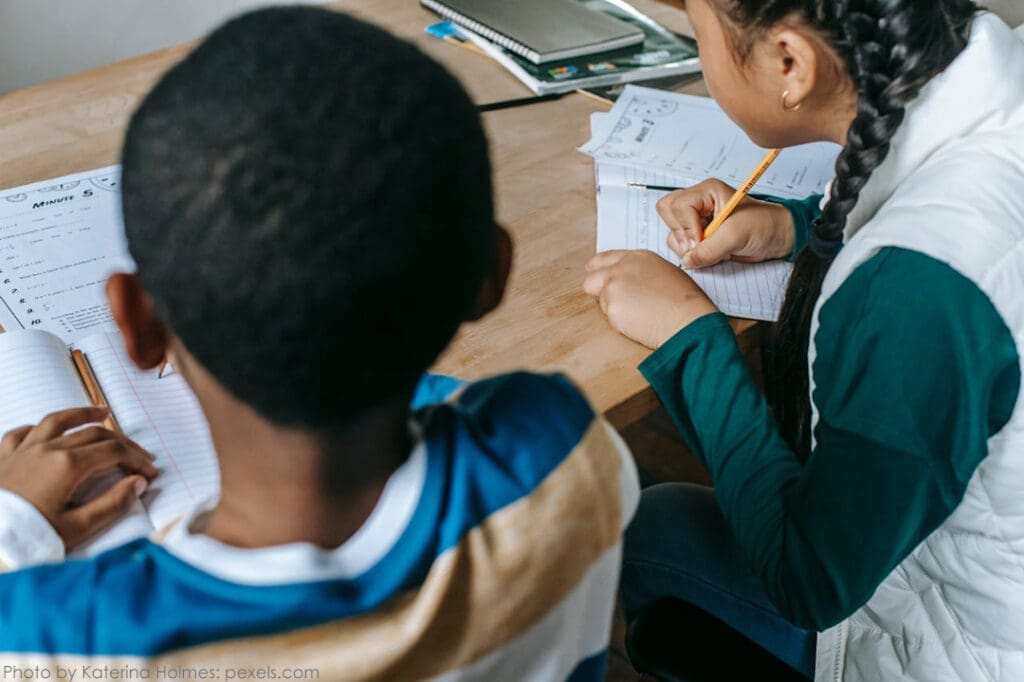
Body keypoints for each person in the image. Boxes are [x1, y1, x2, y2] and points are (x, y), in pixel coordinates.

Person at [0, 8, 639, 680]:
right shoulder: (562, 453)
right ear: (491, 277)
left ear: (136, 324)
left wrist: (14, 519)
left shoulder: (56, 642)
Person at [583, 0, 1024, 680]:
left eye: (699, 32)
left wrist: (689, 333)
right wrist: (797, 226)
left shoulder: (921, 289)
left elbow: (811, 581)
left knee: (654, 530)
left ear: (790, 63)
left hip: (961, 646)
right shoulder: (996, 86)